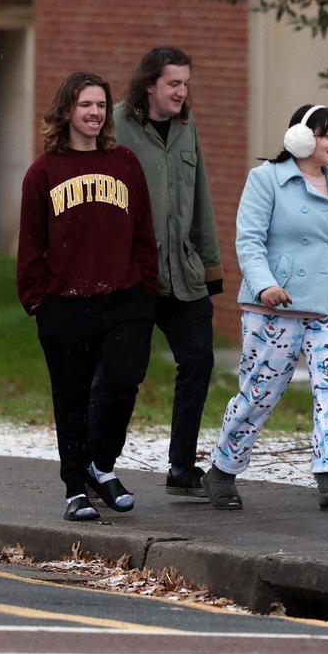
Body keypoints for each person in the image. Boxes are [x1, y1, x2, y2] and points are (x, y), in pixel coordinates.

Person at [203, 104, 328, 512]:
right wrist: (265, 286)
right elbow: (249, 241)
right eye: (327, 134)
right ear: (301, 137)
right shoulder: (266, 180)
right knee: (260, 391)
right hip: (277, 306)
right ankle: (221, 471)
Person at [16, 71, 158, 521]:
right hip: (64, 303)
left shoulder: (125, 164)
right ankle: (75, 487)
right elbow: (31, 242)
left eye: (100, 105)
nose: (95, 113)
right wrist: (38, 299)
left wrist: (145, 289)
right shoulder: (44, 172)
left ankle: (101, 464)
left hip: (123, 298)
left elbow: (143, 231)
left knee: (123, 380)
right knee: (71, 396)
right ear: (66, 112)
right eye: (85, 106)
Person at [99, 47, 223, 500]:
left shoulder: (188, 127)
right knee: (119, 373)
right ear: (150, 83)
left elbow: (201, 196)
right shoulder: (116, 126)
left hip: (183, 271)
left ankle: (181, 466)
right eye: (174, 83)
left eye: (186, 83)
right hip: (132, 275)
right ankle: (98, 465)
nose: (182, 92)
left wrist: (209, 268)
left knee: (198, 360)